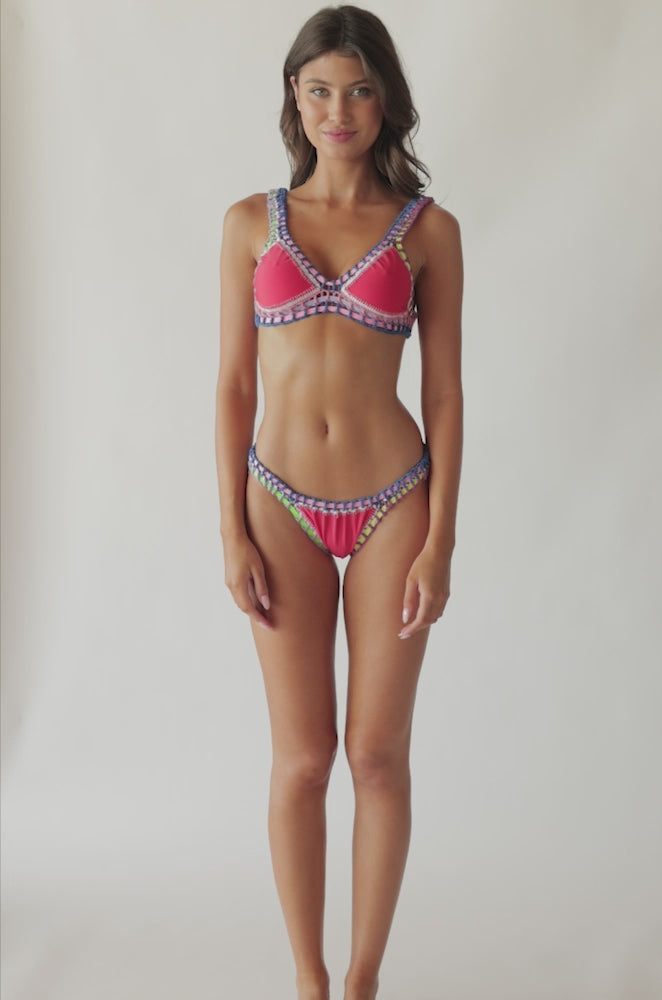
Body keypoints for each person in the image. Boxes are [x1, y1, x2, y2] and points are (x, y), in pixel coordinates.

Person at [215, 6, 463, 999]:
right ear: (293, 99)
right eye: (317, 89)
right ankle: (308, 983)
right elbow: (233, 388)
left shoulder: (428, 231)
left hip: (395, 499)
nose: (338, 109)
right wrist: (228, 524)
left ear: (387, 101)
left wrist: (440, 540)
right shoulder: (247, 223)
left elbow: (443, 395)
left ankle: (361, 981)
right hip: (277, 502)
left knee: (374, 757)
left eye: (358, 89)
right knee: (303, 760)